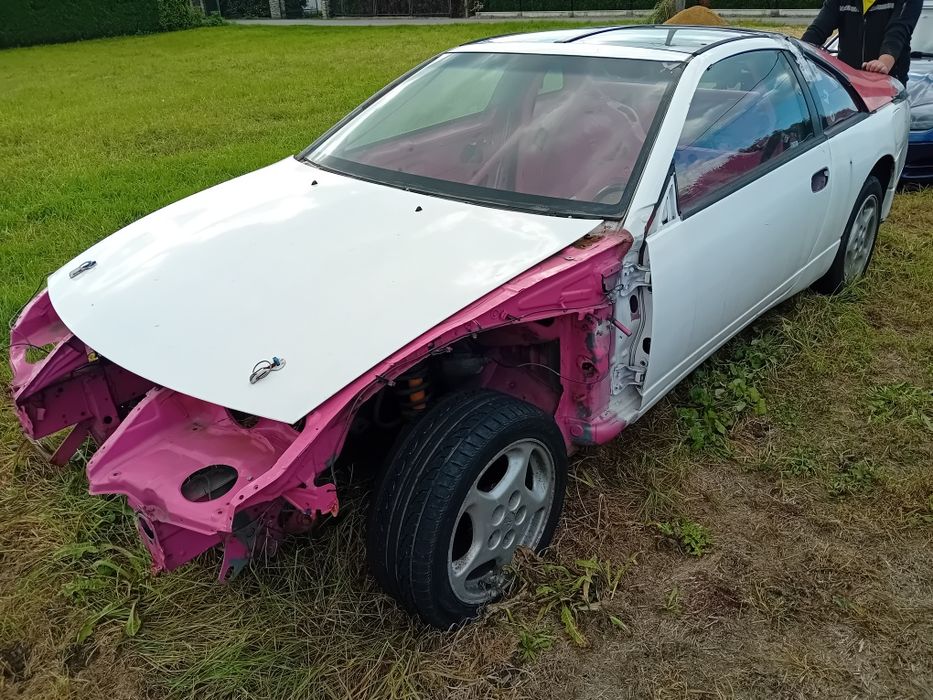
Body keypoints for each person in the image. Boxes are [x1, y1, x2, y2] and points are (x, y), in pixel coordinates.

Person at [801, 0, 923, 85]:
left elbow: (898, 32)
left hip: (889, 87)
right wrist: (797, 53)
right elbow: (817, 31)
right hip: (848, 86)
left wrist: (883, 63)